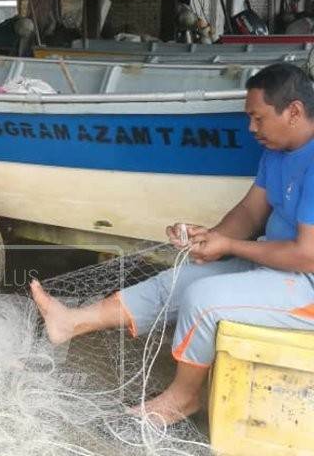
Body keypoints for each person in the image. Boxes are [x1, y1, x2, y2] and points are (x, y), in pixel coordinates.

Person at [31, 62, 314, 425]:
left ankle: (183, 399)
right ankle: (70, 321)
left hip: (305, 282)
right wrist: (210, 238)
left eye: (257, 118)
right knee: (181, 279)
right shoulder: (277, 152)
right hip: (278, 267)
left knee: (204, 301)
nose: (251, 128)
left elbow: (306, 255)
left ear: (293, 111)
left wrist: (228, 246)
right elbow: (250, 210)